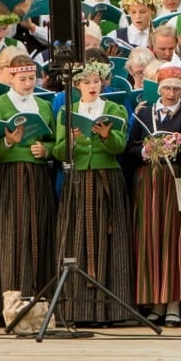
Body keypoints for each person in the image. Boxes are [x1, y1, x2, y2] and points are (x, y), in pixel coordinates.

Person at [53, 59, 134, 324]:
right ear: (77, 85)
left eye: (96, 81)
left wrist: (106, 136)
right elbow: (58, 151)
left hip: (106, 178)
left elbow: (119, 147)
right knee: (76, 239)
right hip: (77, 181)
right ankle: (77, 310)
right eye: (86, 82)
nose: (92, 86)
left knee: (110, 241)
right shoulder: (67, 110)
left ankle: (112, 311)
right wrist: (72, 140)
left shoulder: (114, 108)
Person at [0, 56, 56, 300]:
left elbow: (52, 141)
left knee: (39, 232)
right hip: (8, 177)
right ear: (10, 77)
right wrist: (7, 141)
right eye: (22, 78)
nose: (27, 83)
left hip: (37, 176)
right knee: (10, 234)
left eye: (31, 78)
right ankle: (10, 297)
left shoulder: (43, 106)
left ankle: (38, 295)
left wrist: (46, 151)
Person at [126, 65, 181, 327]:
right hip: (148, 180)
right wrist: (147, 149)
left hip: (176, 179)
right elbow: (129, 149)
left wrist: (178, 146)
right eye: (167, 87)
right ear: (158, 89)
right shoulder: (144, 113)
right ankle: (155, 300)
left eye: (177, 88)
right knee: (150, 238)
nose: (171, 93)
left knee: (175, 239)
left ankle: (174, 302)